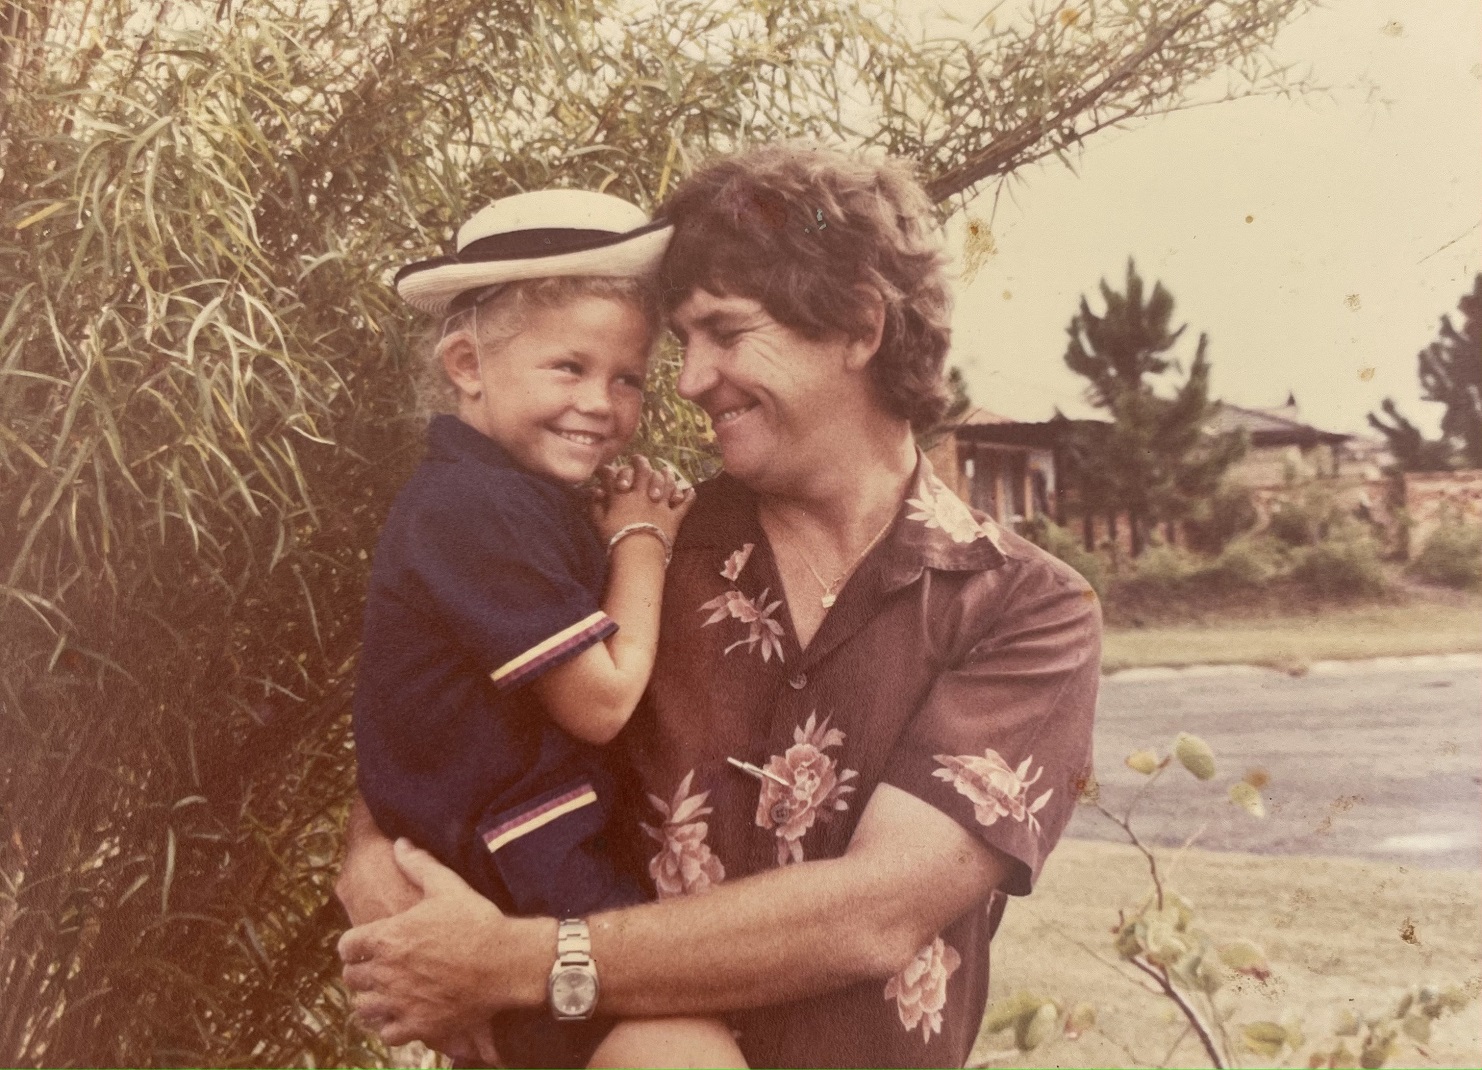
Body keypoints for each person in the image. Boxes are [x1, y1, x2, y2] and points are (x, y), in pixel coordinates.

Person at [337, 145, 1101, 1069]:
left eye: (726, 334)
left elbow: (875, 913)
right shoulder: (636, 546)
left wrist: (519, 965)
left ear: (859, 328)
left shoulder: (1021, 608)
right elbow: (442, 715)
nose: (691, 381)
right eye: (682, 345)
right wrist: (375, 863)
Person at [353, 188, 743, 1068]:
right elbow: (600, 703)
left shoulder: (513, 498)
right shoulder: (472, 509)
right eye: (567, 368)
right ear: (466, 363)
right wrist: (641, 543)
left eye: (628, 377)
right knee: (685, 1043)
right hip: (514, 869)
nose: (600, 403)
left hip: (529, 848)